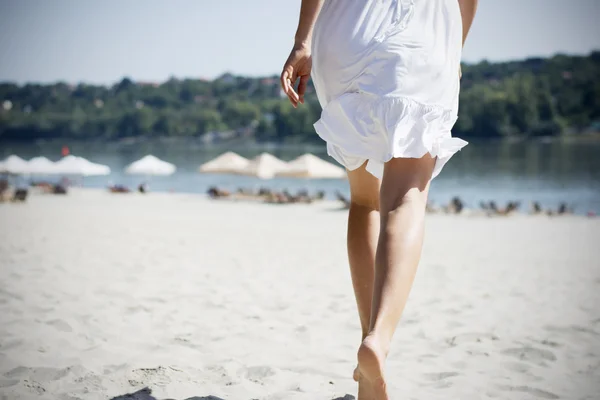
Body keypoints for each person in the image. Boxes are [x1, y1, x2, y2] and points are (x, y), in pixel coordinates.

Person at [280, 0, 478, 398]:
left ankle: (368, 345)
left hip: (345, 32)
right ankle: (378, 340)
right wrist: (456, 45)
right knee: (405, 197)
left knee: (365, 201)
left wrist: (302, 40)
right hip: (425, 32)